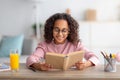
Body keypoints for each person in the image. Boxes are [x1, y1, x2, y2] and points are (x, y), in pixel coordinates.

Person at [26, 13, 99, 71]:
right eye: (56, 30)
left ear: (69, 32)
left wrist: (85, 64)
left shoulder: (76, 45)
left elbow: (95, 58)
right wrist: (38, 66)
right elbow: (30, 59)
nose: (60, 34)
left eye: (64, 30)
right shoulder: (44, 45)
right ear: (51, 30)